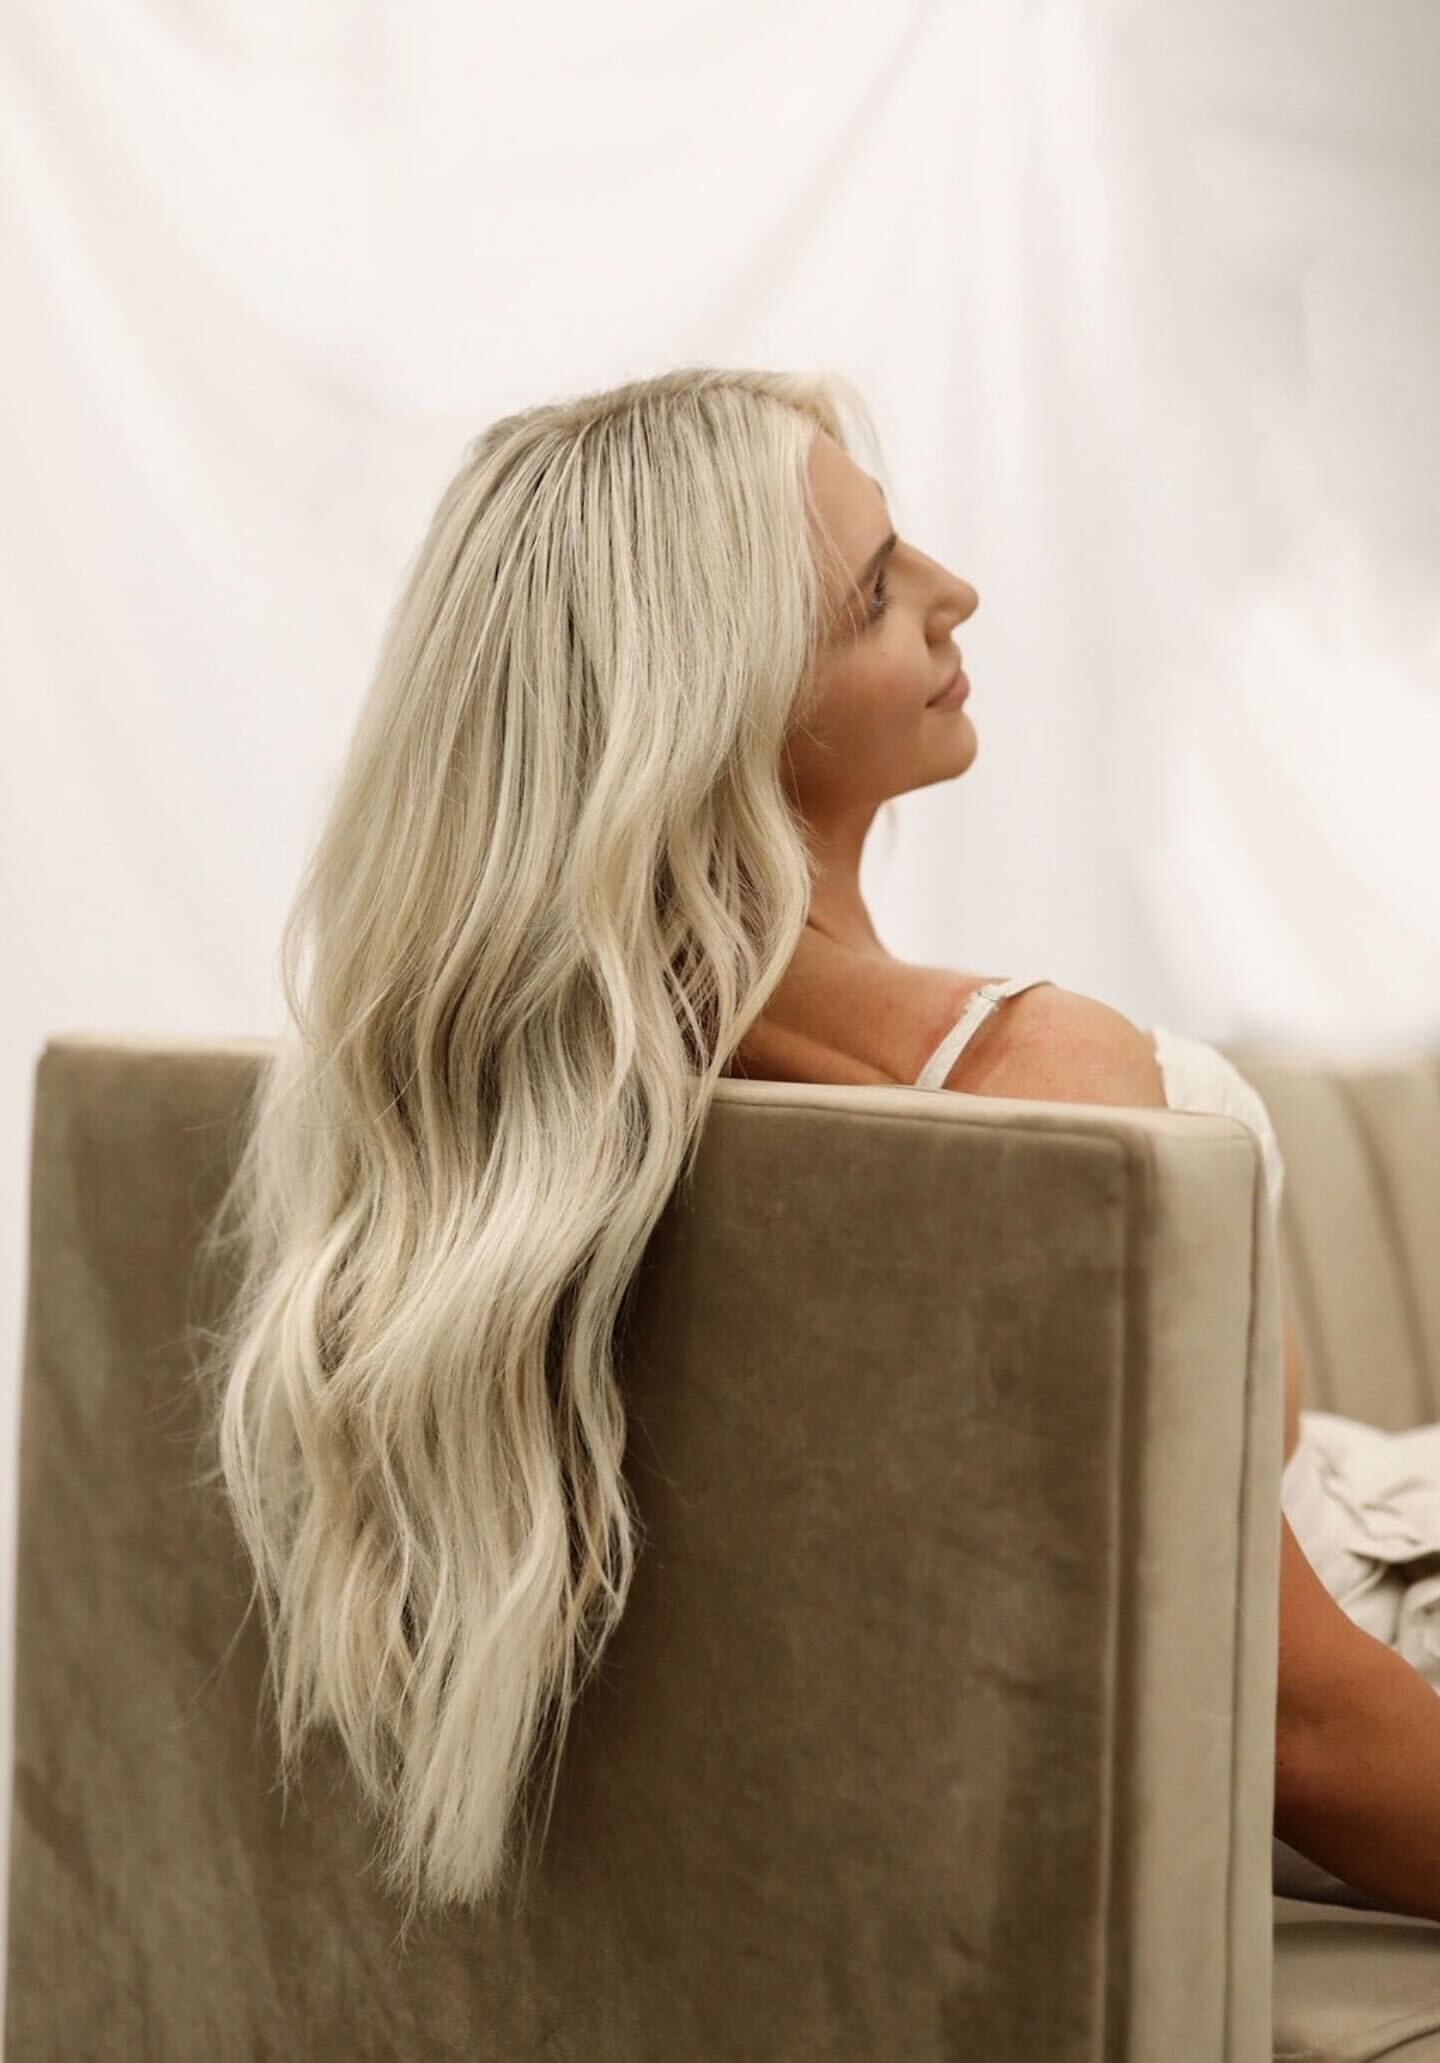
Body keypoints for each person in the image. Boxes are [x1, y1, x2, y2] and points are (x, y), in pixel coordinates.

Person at [189, 365, 1437, 1936]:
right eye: (872, 596)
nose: (952, 593)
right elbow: (1300, 1725)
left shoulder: (522, 1114)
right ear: (713, 720)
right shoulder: (1040, 1073)